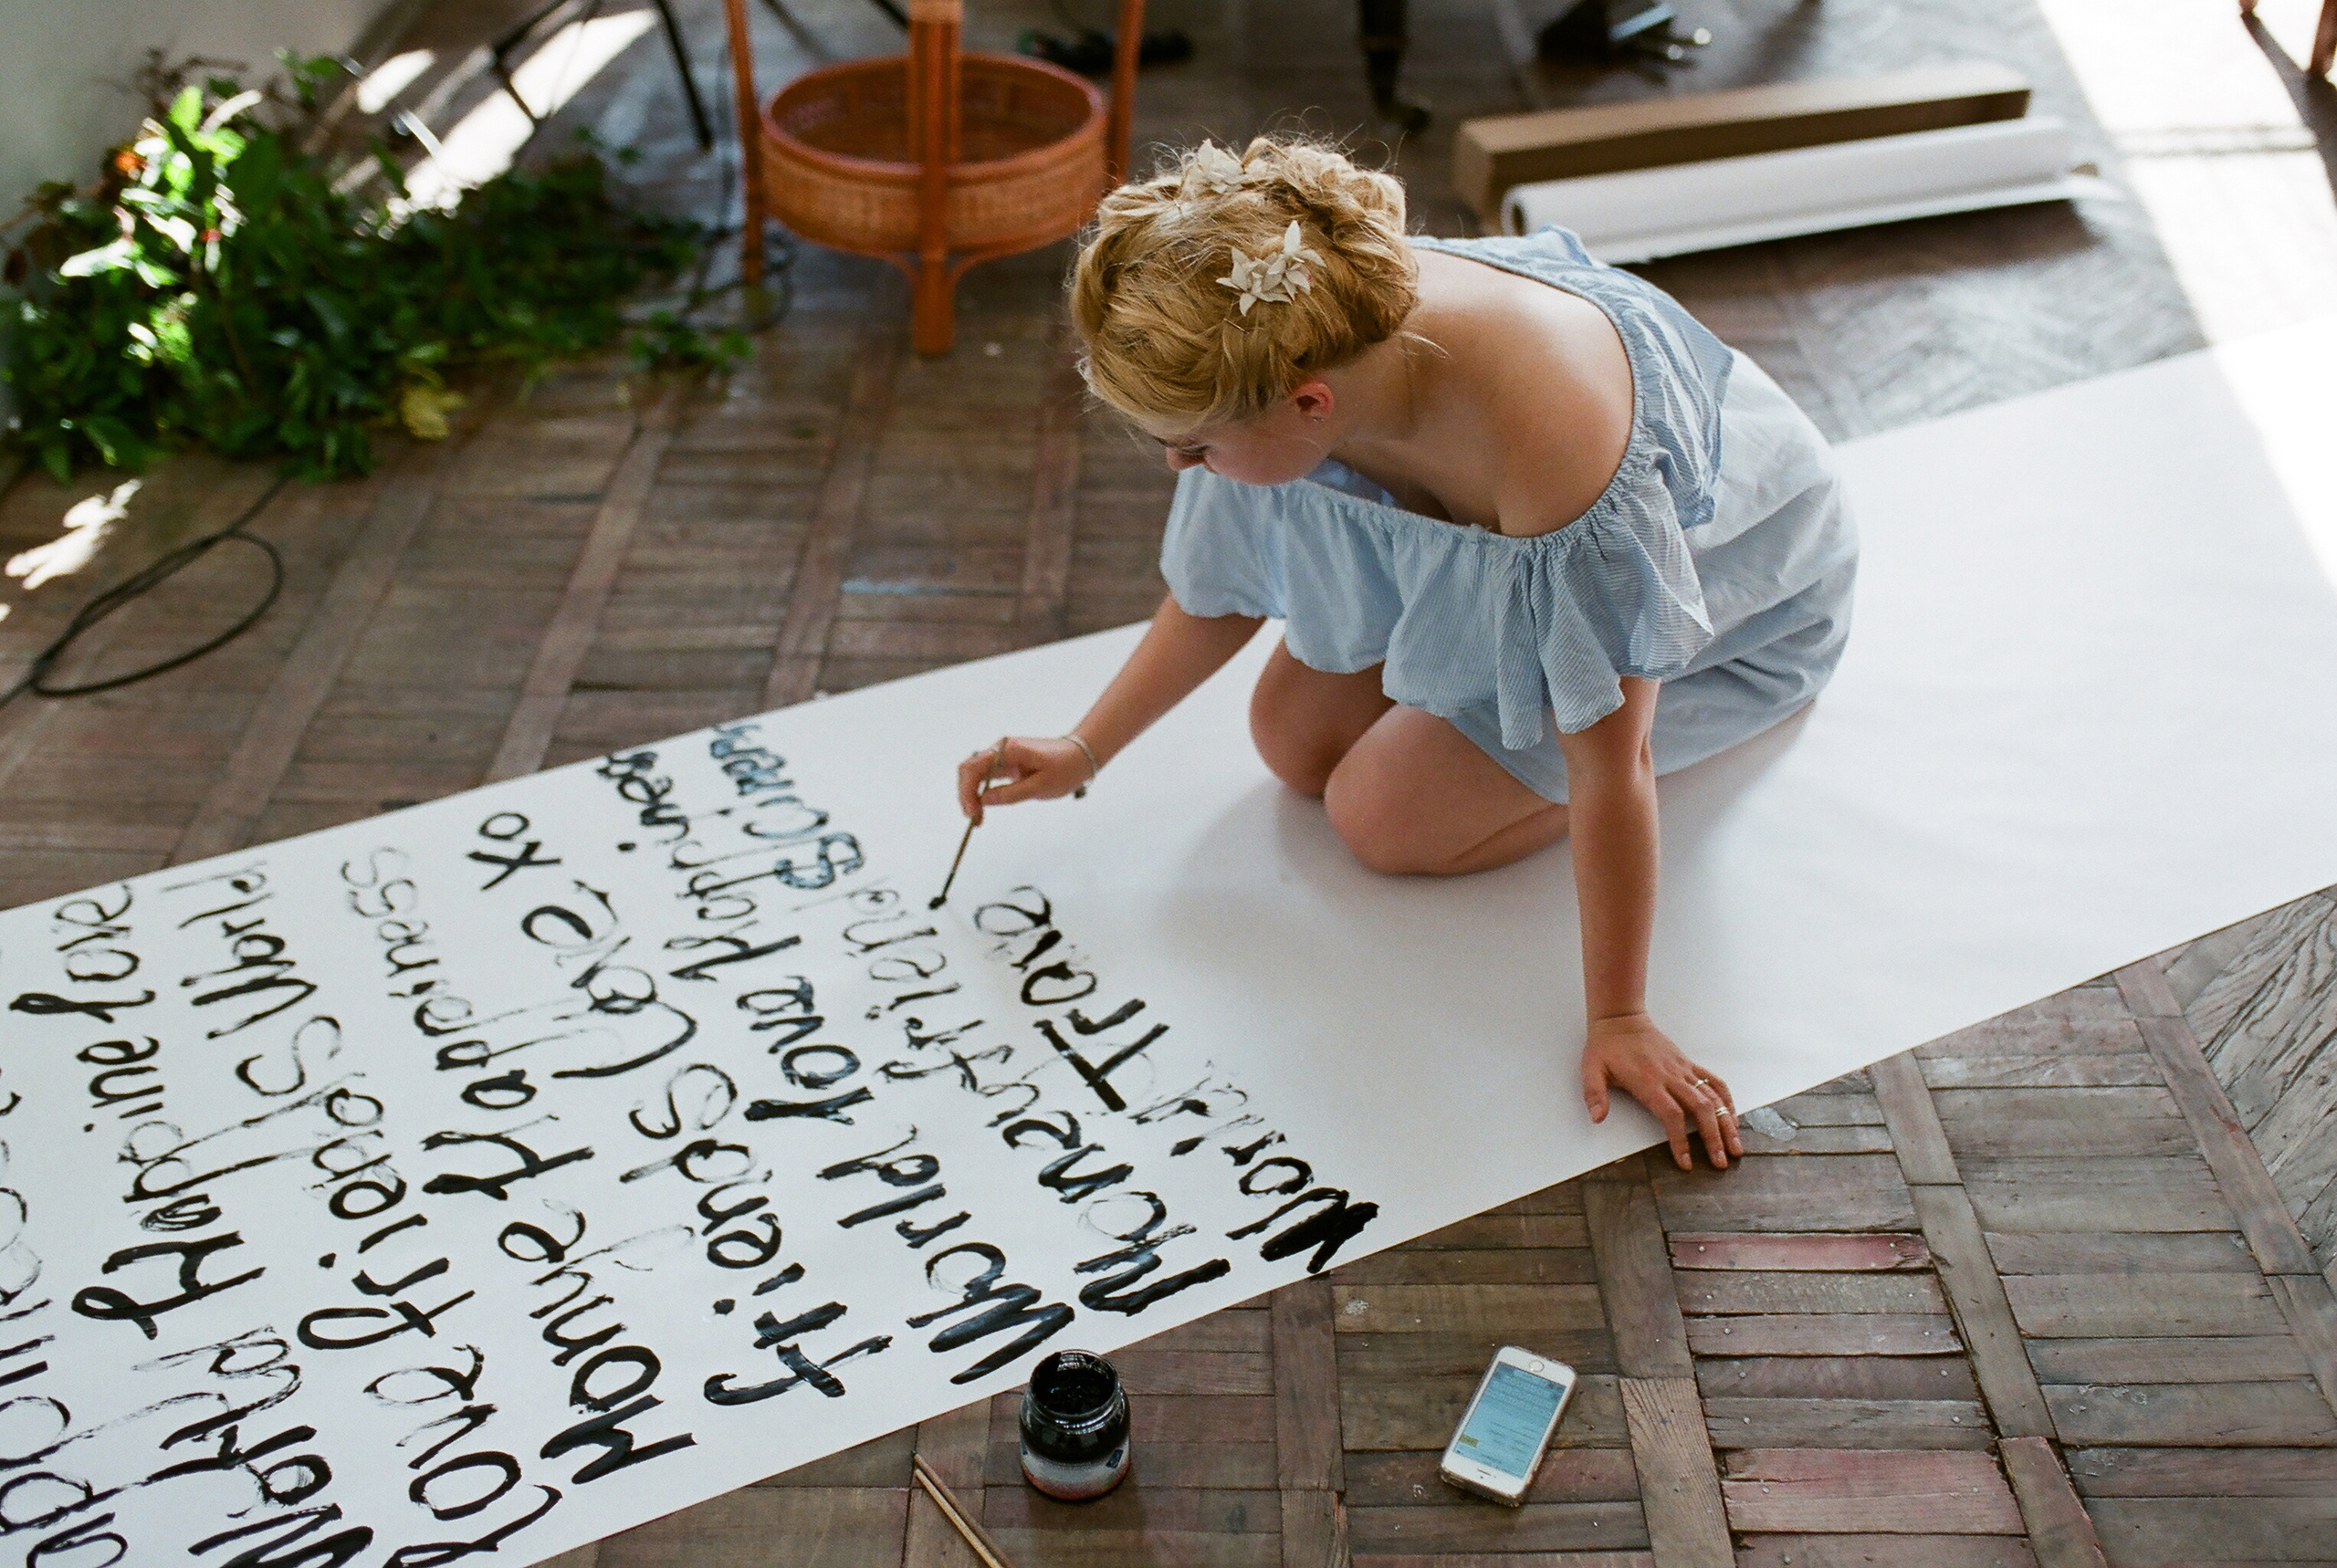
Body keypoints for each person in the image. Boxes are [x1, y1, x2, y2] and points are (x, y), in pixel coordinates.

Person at [955, 136, 1857, 1172]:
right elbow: (1215, 592)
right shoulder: (1285, 342)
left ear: (1310, 406)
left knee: (1379, 815)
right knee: (1291, 740)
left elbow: (1616, 759)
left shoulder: (1553, 438)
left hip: (1740, 588)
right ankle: (1461, 669)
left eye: (1195, 448)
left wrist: (1620, 1013)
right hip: (1505, 531)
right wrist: (1085, 747)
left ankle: (1522, 720)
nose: (1175, 465)